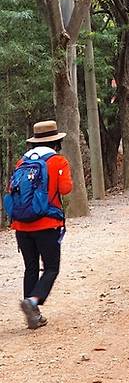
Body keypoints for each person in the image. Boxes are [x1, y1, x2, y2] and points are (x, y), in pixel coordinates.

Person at [6, 119, 73, 330]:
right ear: (55, 142)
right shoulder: (58, 161)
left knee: (31, 267)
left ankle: (33, 314)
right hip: (47, 224)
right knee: (51, 267)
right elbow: (66, 189)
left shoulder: (21, 163)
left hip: (21, 226)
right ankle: (33, 302)